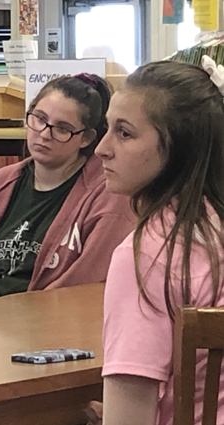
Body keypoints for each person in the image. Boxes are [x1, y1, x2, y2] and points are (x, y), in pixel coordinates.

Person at [99, 58, 224, 424]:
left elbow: (127, 418)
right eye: (106, 129)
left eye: (124, 133)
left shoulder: (148, 256)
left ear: (177, 146)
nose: (101, 149)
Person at [0, 74, 134, 301]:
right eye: (39, 118)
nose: (44, 134)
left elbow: (84, 284)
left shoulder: (109, 195)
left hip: (56, 324)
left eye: (62, 128)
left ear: (86, 138)